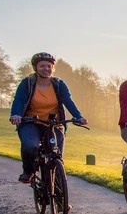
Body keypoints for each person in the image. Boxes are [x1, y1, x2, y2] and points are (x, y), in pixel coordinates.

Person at [9, 52, 88, 183]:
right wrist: (16, 115)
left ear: (53, 68)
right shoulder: (27, 83)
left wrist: (78, 117)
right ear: (35, 68)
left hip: (53, 124)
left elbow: (68, 101)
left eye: (49, 66)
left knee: (56, 157)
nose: (46, 69)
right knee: (30, 146)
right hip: (31, 122)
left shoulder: (58, 84)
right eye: (42, 66)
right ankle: (28, 171)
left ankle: (61, 200)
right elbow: (19, 100)